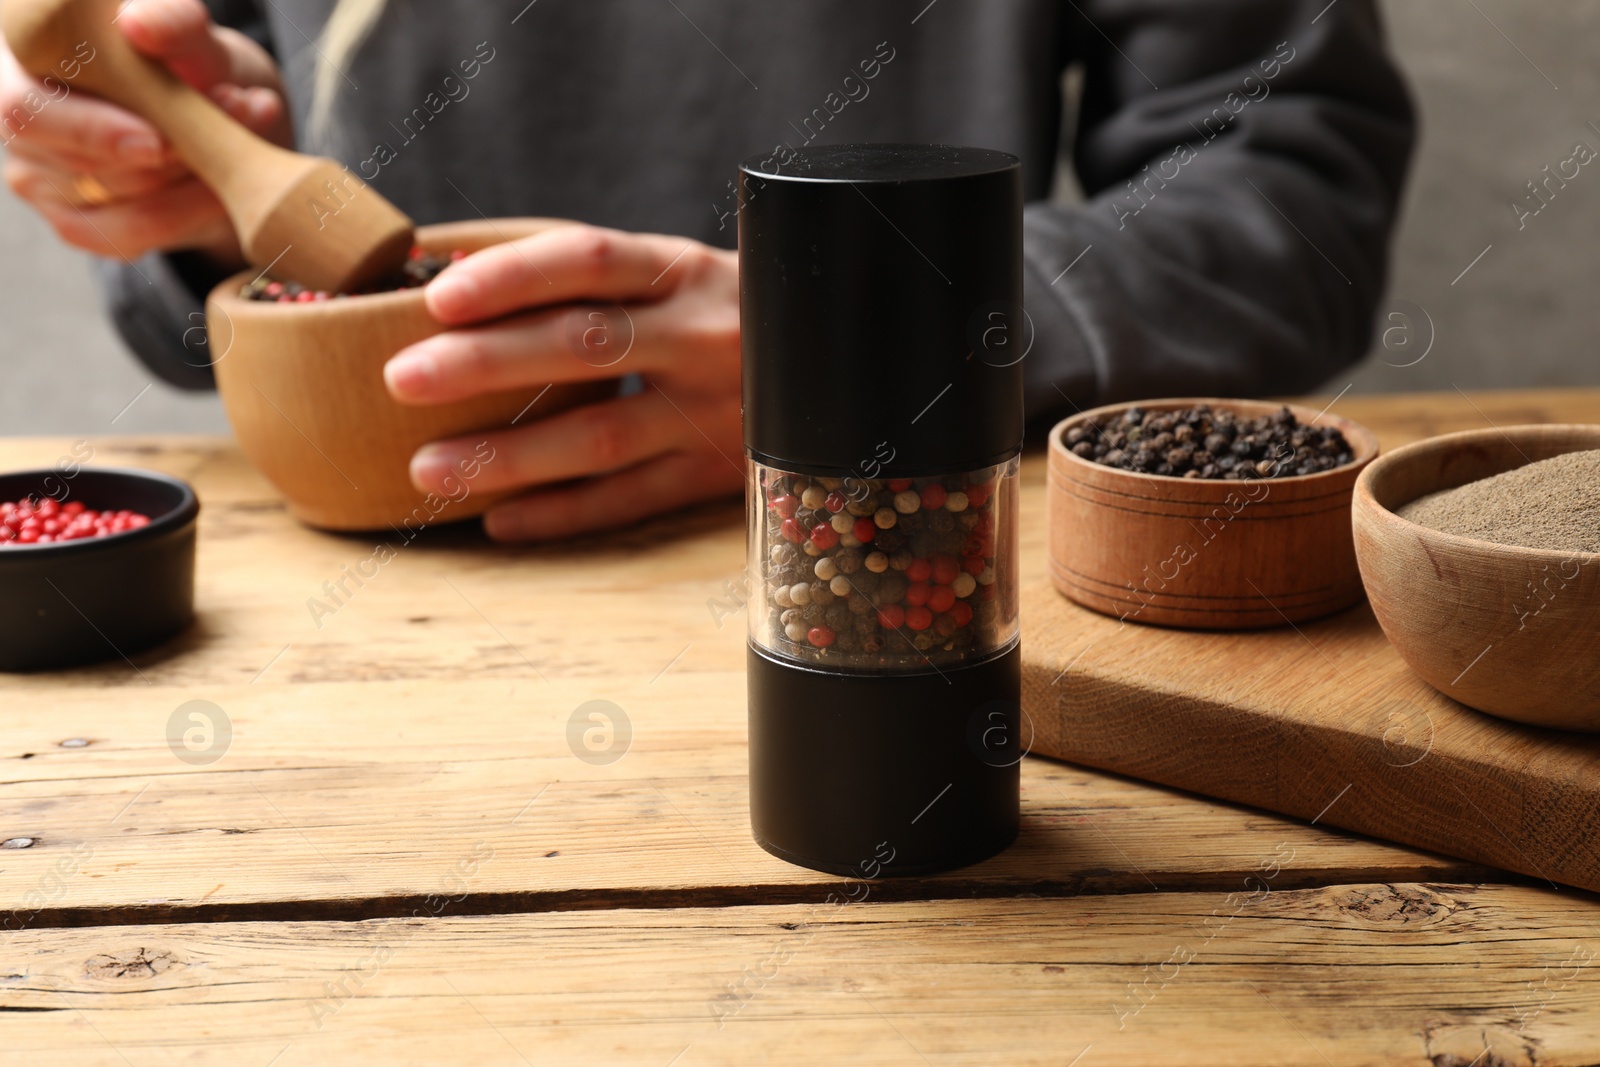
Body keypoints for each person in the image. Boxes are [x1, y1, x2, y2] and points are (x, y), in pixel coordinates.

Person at [0, 0, 1414, 542]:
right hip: (394, 605)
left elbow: (1284, 185)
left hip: (895, 540)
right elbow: (203, 85)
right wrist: (189, 191)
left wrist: (878, 334)